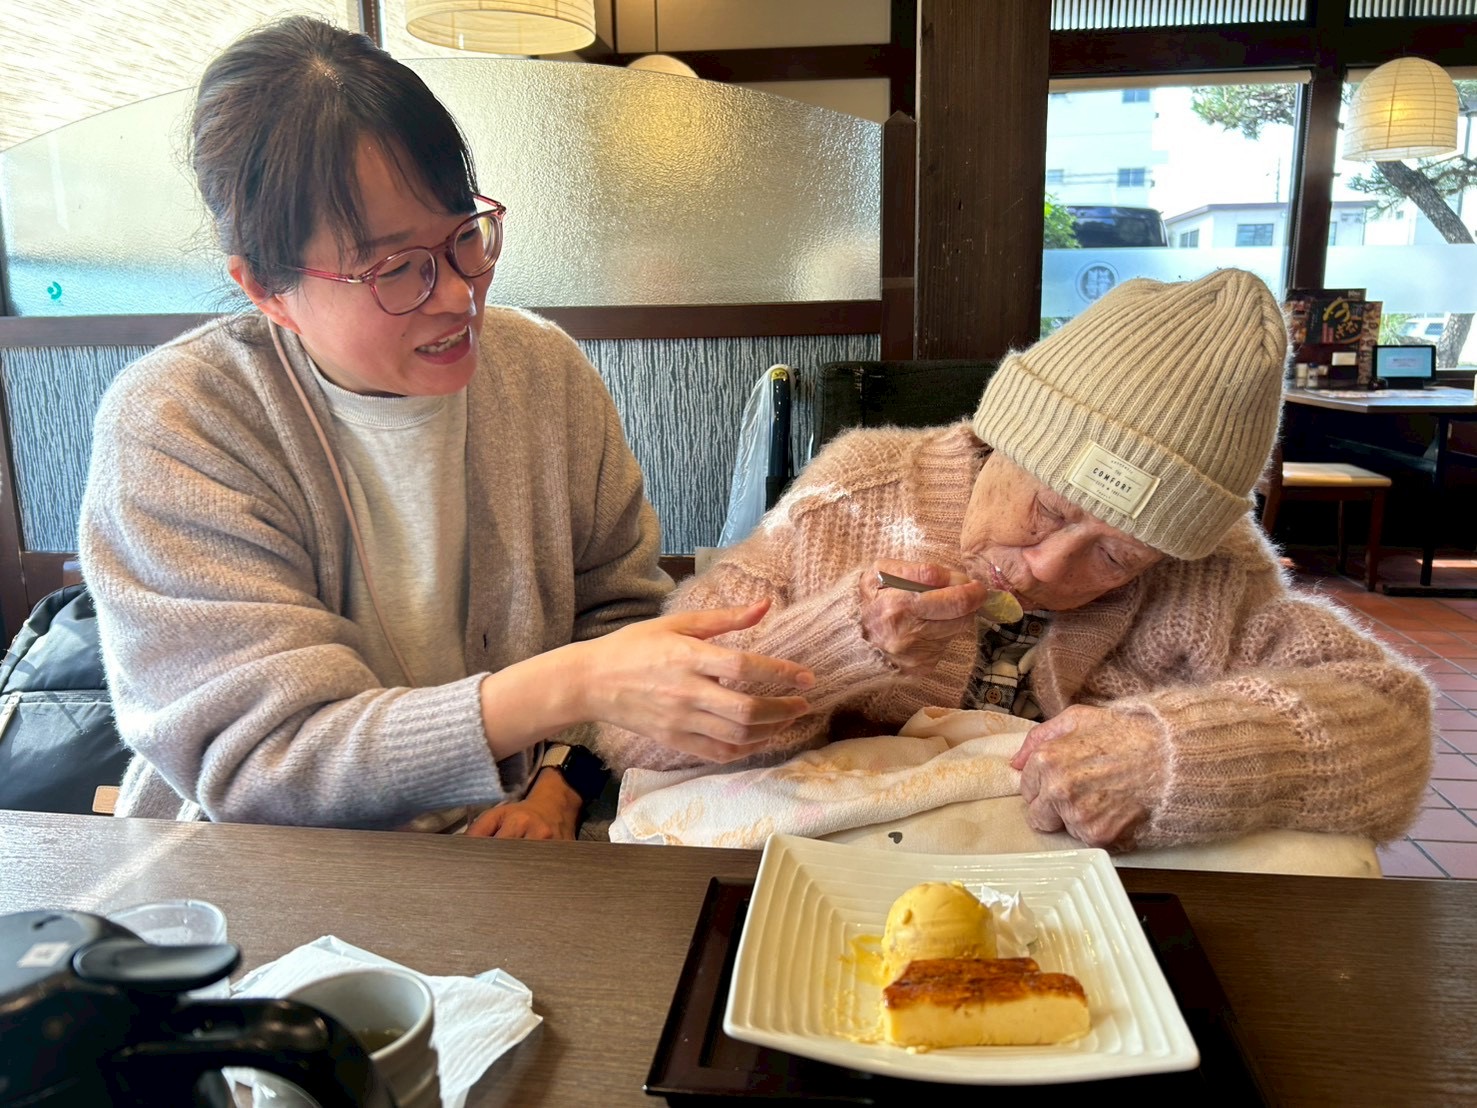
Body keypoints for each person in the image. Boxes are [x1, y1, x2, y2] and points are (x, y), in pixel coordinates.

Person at [78, 17, 814, 835]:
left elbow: (616, 610)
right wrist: (569, 686)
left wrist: (561, 781)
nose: (458, 294)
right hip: (268, 871)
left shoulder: (540, 371)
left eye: (465, 235)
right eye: (397, 268)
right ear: (265, 288)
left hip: (522, 843)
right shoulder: (180, 421)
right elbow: (263, 761)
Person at [591, 268, 1434, 852]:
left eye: (1113, 555)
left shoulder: (1209, 572)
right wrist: (839, 645)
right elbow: (633, 732)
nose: (1046, 570)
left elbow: (1389, 731)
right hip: (824, 888)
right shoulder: (854, 490)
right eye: (1048, 512)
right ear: (1001, 438)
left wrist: (1167, 757)